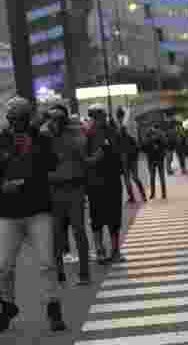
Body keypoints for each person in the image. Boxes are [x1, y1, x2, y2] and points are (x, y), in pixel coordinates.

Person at [0, 97, 66, 333]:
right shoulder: (2, 140)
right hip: (8, 209)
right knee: (3, 265)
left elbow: (52, 164)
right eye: (12, 119)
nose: (16, 124)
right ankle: (7, 305)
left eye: (20, 119)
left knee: (47, 262)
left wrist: (33, 147)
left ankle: (53, 308)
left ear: (27, 119)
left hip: (38, 209)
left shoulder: (40, 138)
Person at [42, 104, 93, 285]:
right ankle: (59, 273)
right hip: (54, 189)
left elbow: (81, 148)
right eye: (52, 118)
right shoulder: (45, 134)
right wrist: (49, 126)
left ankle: (84, 274)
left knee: (78, 230)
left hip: (74, 188)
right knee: (55, 233)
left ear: (64, 119)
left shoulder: (74, 132)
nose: (55, 122)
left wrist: (68, 129)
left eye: (58, 118)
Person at [84, 105, 125, 265]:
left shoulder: (111, 131)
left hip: (112, 179)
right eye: (96, 116)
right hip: (95, 182)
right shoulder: (87, 133)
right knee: (97, 218)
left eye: (101, 116)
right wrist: (95, 157)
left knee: (114, 217)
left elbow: (119, 149)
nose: (99, 119)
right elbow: (84, 158)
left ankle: (115, 250)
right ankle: (100, 250)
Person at [115, 108, 146, 204]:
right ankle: (143, 195)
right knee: (135, 177)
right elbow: (136, 139)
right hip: (133, 153)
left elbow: (117, 141)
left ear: (118, 116)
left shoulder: (119, 126)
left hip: (124, 155)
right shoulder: (132, 123)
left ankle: (132, 197)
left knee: (127, 178)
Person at [142, 126, 167, 199]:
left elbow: (143, 148)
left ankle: (153, 194)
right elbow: (165, 145)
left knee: (153, 177)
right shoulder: (160, 137)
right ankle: (163, 193)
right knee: (161, 177)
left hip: (152, 160)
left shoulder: (148, 140)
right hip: (158, 159)